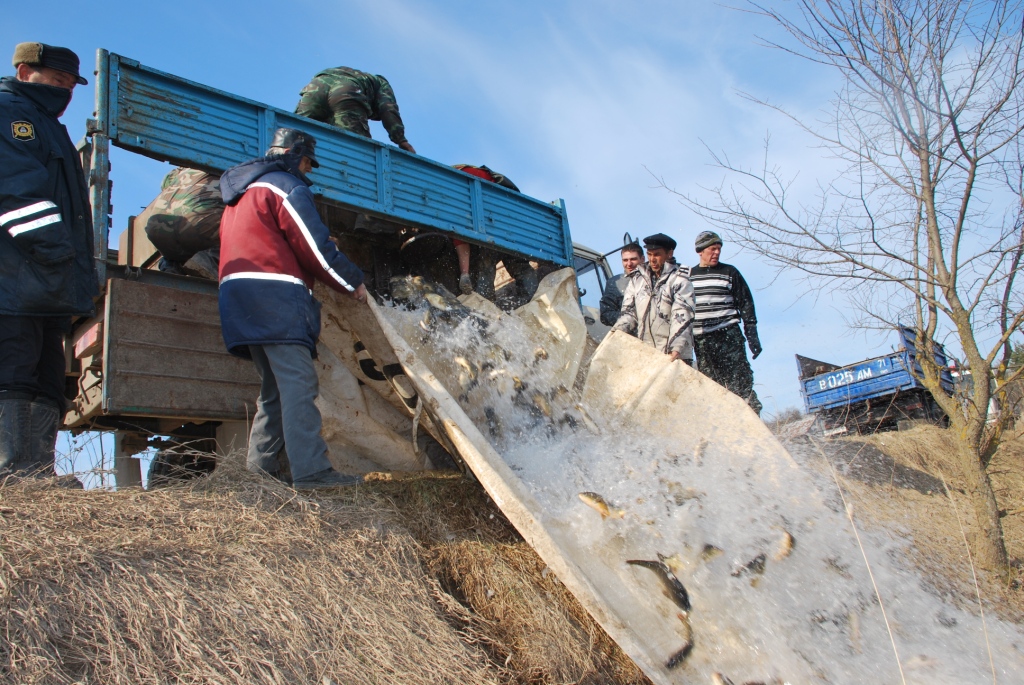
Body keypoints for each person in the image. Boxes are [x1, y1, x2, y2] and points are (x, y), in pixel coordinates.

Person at [218, 127, 368, 489]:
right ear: (293, 155)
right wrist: (352, 282)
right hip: (276, 298)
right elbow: (315, 248)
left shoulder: (240, 195)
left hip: (239, 299)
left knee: (273, 391)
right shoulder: (286, 187)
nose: (309, 170)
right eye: (307, 162)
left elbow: (269, 239)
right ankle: (312, 472)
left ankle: (258, 473)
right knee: (299, 383)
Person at [0, 43, 96, 481]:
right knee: (14, 372)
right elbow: (16, 191)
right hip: (15, 277)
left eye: (69, 85)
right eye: (56, 81)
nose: (65, 92)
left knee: (46, 377)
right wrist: (56, 252)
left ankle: (35, 471)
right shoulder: (8, 115)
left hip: (48, 281)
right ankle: (12, 471)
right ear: (24, 72)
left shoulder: (49, 126)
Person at [690, 231, 763, 415]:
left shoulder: (729, 272)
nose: (716, 253)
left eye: (719, 249)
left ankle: (752, 415)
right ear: (700, 250)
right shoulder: (688, 276)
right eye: (712, 249)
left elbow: (746, 304)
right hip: (702, 340)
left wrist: (752, 335)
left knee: (739, 382)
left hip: (728, 336)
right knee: (711, 385)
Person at [450, 164, 538, 300]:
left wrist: (465, 274)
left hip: (493, 224)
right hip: (514, 225)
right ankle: (535, 300)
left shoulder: (456, 182)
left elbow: (459, 237)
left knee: (485, 265)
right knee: (518, 265)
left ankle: (486, 310)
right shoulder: (468, 175)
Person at [612, 233, 695, 364]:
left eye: (657, 254)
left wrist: (676, 347)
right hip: (646, 353)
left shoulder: (680, 280)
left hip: (675, 354)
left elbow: (682, 313)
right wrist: (617, 331)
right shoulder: (637, 279)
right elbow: (629, 313)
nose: (652, 259)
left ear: (669, 254)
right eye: (649, 254)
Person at [295, 66, 416, 153]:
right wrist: (401, 140)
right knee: (355, 149)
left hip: (316, 85)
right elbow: (388, 109)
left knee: (293, 134)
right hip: (347, 90)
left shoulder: (360, 76)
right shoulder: (381, 83)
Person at [139, 167, 224, 279]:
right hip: (197, 225)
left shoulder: (182, 168)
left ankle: (171, 267)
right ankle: (209, 260)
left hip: (156, 228)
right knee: (246, 218)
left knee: (174, 246)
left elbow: (165, 183)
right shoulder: (233, 161)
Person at [599, 242, 643, 326]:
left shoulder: (655, 280)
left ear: (642, 259)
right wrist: (630, 319)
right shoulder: (614, 283)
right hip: (627, 335)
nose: (629, 264)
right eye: (625, 260)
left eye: (633, 259)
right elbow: (606, 315)